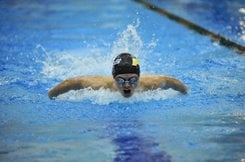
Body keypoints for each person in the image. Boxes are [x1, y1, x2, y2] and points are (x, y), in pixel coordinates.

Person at [48, 53, 188, 99]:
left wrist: (186, 92)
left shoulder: (151, 83)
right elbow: (74, 82)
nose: (127, 85)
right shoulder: (99, 86)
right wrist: (51, 95)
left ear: (139, 77)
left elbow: (171, 81)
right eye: (121, 80)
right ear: (114, 78)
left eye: (133, 79)